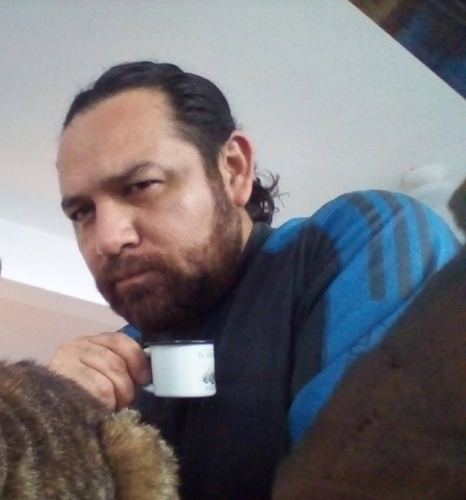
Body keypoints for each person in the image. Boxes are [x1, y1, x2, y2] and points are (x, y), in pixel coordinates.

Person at [50, 60, 459, 500]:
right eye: (82, 212)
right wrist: (49, 421)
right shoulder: (115, 368)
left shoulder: (355, 237)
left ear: (233, 168)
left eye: (141, 185)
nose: (107, 239)